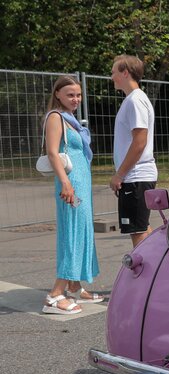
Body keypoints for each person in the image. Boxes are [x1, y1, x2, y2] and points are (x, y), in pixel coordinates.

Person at [42, 76, 102, 314]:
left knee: (83, 231)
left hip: (80, 184)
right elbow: (52, 153)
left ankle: (75, 286)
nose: (75, 99)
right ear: (57, 94)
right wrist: (66, 183)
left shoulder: (71, 119)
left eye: (78, 95)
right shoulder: (56, 118)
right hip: (71, 185)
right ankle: (54, 296)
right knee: (73, 235)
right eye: (70, 94)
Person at [109, 54, 157, 248]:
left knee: (138, 235)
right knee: (143, 229)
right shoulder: (134, 100)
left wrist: (119, 175)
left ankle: (147, 277)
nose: (111, 76)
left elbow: (140, 141)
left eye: (113, 72)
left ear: (125, 72)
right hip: (136, 177)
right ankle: (158, 271)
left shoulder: (135, 101)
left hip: (135, 177)